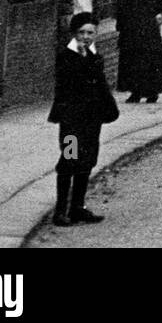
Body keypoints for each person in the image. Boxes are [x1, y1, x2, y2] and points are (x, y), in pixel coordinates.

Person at [48, 12, 119, 226]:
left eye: (90, 33)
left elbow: (101, 85)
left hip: (91, 119)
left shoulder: (95, 55)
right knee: (69, 160)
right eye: (82, 32)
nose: (86, 37)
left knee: (87, 160)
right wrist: (84, 58)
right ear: (74, 33)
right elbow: (70, 83)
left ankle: (77, 207)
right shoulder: (65, 56)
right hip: (71, 122)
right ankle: (61, 211)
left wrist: (109, 109)